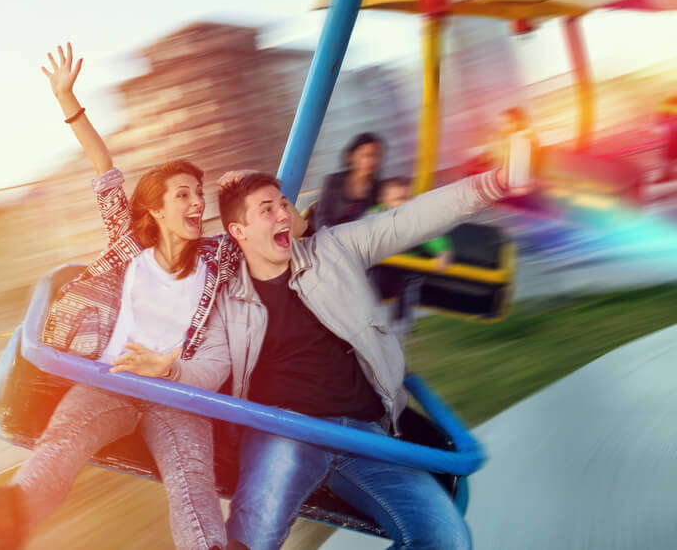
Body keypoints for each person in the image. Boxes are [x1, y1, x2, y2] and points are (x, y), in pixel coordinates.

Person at [0, 44, 277, 550]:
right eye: (182, 193)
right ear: (157, 210)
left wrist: (245, 190)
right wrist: (67, 100)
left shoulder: (220, 257)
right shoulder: (128, 243)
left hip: (175, 391)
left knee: (193, 485)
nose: (194, 201)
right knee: (63, 442)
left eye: (198, 193)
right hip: (112, 380)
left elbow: (275, 230)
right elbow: (103, 165)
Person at [212, 163, 513, 550]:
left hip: (363, 435)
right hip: (284, 430)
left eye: (284, 204)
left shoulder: (334, 249)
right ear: (239, 231)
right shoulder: (224, 294)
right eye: (267, 209)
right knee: (251, 540)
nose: (283, 214)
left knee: (445, 538)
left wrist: (489, 184)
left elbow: (408, 221)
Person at [366, 176, 453, 338]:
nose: (403, 203)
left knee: (409, 283)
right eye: (398, 199)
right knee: (368, 277)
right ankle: (366, 317)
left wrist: (443, 253)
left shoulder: (416, 219)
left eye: (406, 198)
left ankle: (402, 322)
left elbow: (433, 236)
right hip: (384, 264)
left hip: (408, 264)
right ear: (383, 201)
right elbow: (360, 232)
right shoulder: (375, 215)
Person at [312, 132, 384, 231]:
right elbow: (321, 218)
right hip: (330, 236)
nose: (372, 161)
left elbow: (375, 221)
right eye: (366, 155)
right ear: (351, 156)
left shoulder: (378, 189)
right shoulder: (333, 181)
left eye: (376, 155)